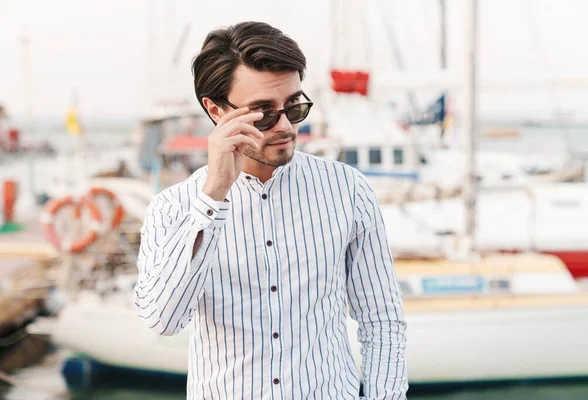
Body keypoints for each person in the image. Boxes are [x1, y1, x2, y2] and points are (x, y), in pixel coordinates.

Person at [134, 21, 407, 400]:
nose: (284, 126)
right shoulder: (173, 207)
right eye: (263, 112)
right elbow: (163, 320)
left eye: (294, 106)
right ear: (215, 110)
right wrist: (213, 197)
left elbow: (382, 320)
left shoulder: (348, 189)